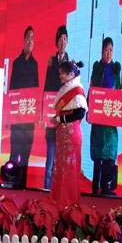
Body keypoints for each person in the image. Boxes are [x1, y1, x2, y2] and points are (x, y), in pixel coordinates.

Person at [50, 60, 87, 207]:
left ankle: (68, 201)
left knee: (70, 167)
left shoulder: (77, 89)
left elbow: (80, 113)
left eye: (63, 73)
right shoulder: (66, 88)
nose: (60, 76)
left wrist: (60, 119)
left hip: (71, 134)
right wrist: (57, 119)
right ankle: (58, 198)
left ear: (71, 74)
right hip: (62, 133)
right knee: (60, 166)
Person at [89, 38, 121, 195]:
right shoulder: (97, 69)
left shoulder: (116, 70)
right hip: (98, 122)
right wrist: (89, 110)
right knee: (98, 160)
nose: (108, 53)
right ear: (102, 52)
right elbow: (92, 90)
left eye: (111, 50)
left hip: (111, 123)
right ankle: (94, 191)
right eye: (106, 50)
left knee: (109, 159)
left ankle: (106, 190)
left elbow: (120, 94)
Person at [9, 25, 38, 187]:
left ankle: (23, 184)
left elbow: (36, 90)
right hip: (16, 116)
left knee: (26, 151)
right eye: (28, 38)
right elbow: (12, 90)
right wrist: (9, 115)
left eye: (32, 38)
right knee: (15, 151)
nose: (30, 41)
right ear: (23, 40)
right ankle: (12, 181)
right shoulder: (16, 63)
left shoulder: (35, 64)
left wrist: (37, 113)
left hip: (29, 116)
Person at [43, 25, 69, 190]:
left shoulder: (71, 64)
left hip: (65, 121)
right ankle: (46, 191)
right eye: (60, 39)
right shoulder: (51, 62)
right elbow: (46, 89)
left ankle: (60, 194)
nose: (62, 42)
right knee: (49, 164)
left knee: (62, 164)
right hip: (52, 118)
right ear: (56, 42)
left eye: (65, 39)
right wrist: (42, 113)